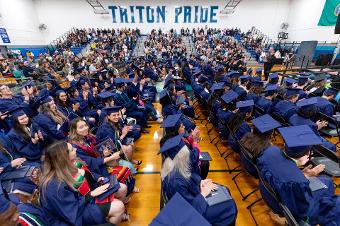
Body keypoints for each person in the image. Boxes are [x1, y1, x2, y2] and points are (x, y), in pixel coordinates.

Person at [256, 125, 340, 226]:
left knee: (325, 181)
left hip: (268, 196)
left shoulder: (270, 151)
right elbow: (302, 208)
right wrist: (302, 178)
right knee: (328, 184)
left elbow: (280, 176)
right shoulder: (298, 182)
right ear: (307, 154)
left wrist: (303, 174)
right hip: (284, 205)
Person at [39, 141, 126, 225]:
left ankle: (113, 216)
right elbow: (71, 210)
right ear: (64, 157)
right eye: (72, 149)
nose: (75, 149)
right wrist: (91, 195)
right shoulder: (53, 186)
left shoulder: (71, 163)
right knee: (118, 207)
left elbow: (87, 173)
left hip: (86, 196)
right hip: (76, 214)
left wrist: (97, 178)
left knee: (121, 188)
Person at [161, 134, 238, 226]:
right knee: (230, 207)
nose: (189, 154)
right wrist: (203, 194)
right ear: (180, 156)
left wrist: (200, 182)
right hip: (194, 209)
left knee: (224, 189)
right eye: (186, 152)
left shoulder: (174, 165)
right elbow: (188, 210)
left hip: (195, 195)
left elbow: (189, 177)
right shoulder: (174, 182)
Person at [68, 118, 137, 194]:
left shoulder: (88, 137)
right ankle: (121, 192)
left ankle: (128, 189)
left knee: (128, 166)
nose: (85, 128)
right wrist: (111, 157)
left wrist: (103, 153)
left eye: (85, 125)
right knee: (125, 169)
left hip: (100, 162)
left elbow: (96, 152)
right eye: (81, 127)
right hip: (93, 171)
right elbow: (89, 162)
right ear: (74, 130)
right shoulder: (75, 147)